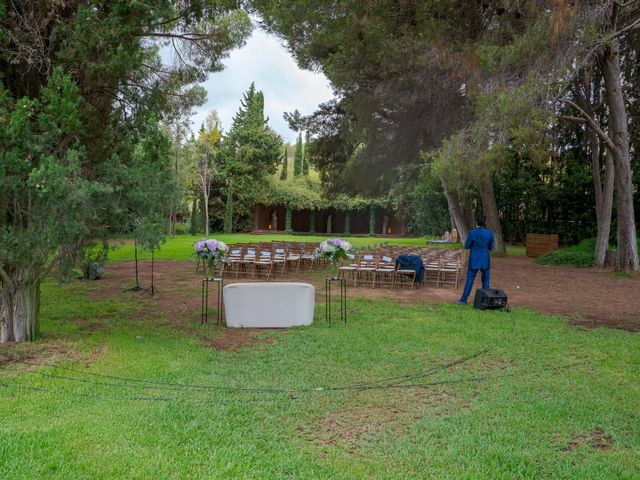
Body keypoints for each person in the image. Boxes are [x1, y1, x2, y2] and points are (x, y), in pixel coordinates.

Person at [456, 214, 494, 305]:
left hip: (474, 259)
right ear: (485, 223)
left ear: (476, 222)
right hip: (485, 259)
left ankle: (463, 300)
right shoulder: (489, 233)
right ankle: (485, 301)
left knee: (470, 280)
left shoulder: (472, 232)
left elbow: (467, 246)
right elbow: (491, 247)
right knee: (486, 280)